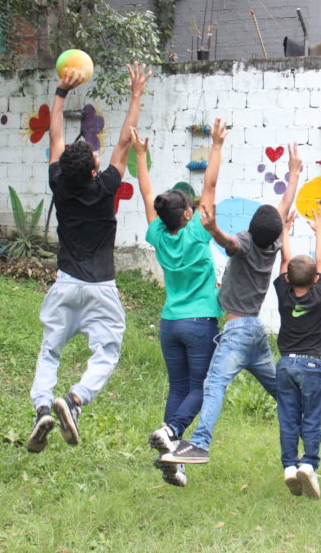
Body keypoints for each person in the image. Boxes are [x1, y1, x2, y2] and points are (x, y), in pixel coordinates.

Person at [26, 63, 150, 454]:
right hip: (101, 288)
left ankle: (43, 406)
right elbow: (125, 142)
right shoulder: (106, 187)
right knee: (107, 351)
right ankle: (75, 400)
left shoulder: (59, 184)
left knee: (50, 350)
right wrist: (135, 94)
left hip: (65, 284)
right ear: (96, 168)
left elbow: (56, 134)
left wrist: (61, 93)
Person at [161, 144, 303, 466]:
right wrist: (293, 173)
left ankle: (199, 444)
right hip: (255, 332)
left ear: (252, 226)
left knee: (213, 384)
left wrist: (213, 229)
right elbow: (282, 209)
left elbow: (230, 243)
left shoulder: (249, 242)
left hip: (237, 331)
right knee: (280, 391)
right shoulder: (275, 241)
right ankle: (306, 422)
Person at [130, 119, 230, 487]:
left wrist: (141, 155)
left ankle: (171, 460)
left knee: (178, 387)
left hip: (169, 323)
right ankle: (172, 430)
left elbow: (145, 193)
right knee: (201, 388)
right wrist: (216, 145)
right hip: (200, 322)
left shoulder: (159, 234)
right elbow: (210, 185)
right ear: (188, 214)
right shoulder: (195, 234)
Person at [275, 207, 321, 500]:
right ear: (314, 281)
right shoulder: (319, 294)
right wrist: (320, 228)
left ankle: (288, 466)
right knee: (311, 418)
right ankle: (308, 463)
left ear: (288, 280)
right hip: (311, 365)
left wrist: (285, 228)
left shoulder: (283, 293)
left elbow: (285, 259)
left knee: (288, 418)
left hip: (285, 365)